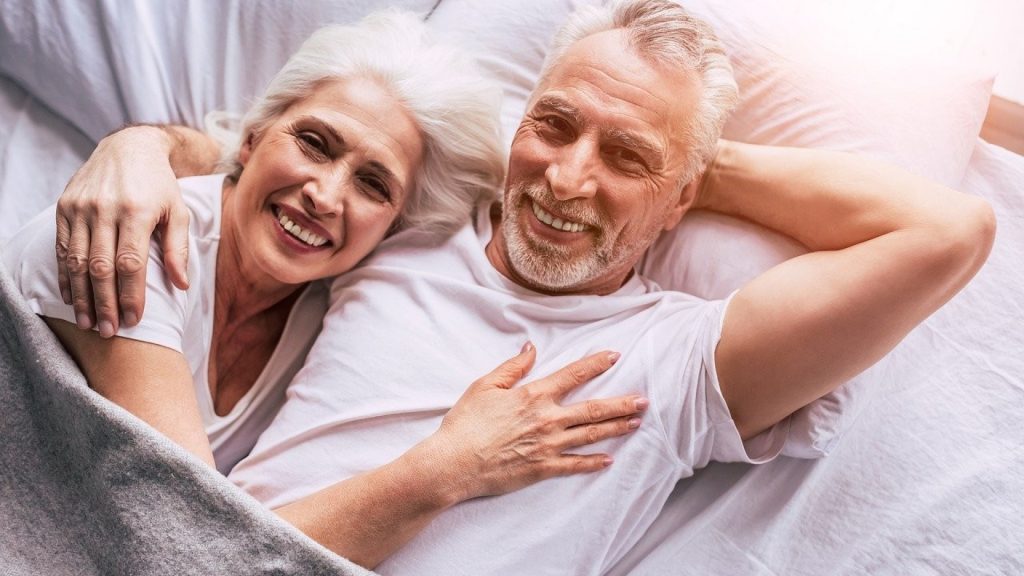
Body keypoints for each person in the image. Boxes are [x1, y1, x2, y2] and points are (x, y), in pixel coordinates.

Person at [53, 0, 996, 573]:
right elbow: (280, 157)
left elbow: (950, 231)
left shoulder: (677, 358)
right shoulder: (412, 225)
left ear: (680, 201)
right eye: (554, 125)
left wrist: (693, 163)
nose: (566, 178)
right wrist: (138, 144)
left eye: (623, 156)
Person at [2, 11, 652, 570]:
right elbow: (192, 544)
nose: (325, 194)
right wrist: (452, 467)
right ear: (255, 137)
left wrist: (670, 174)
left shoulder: (328, 303)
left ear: (393, 226)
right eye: (313, 143)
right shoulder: (135, 236)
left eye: (374, 185)